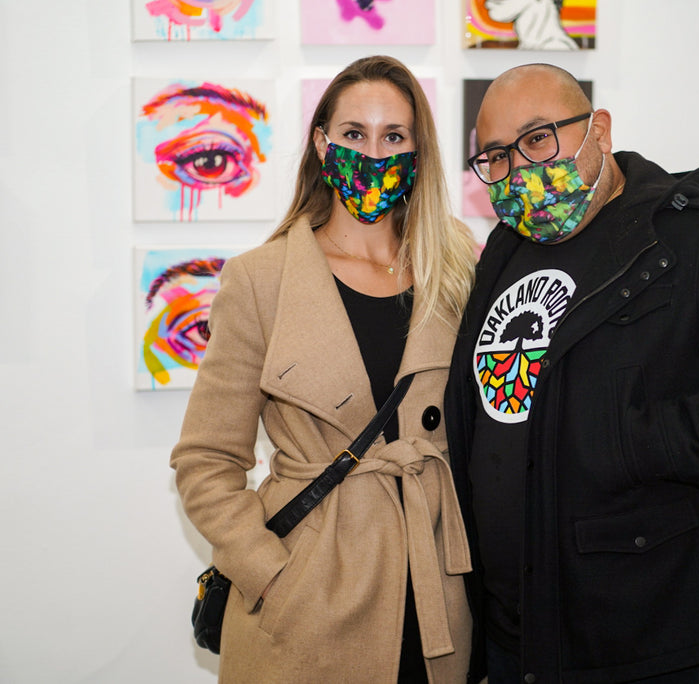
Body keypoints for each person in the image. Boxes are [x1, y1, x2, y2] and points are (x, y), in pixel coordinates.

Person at [445, 63, 699, 683]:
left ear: (598, 129)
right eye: (496, 156)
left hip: (650, 632)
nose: (520, 170)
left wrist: (645, 442)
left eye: (539, 139)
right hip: (518, 632)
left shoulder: (692, 236)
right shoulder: (505, 247)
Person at [171, 55, 478, 683]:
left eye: (394, 136)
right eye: (353, 135)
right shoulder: (262, 279)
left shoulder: (458, 267)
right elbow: (205, 460)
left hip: (436, 595)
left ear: (419, 152)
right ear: (322, 143)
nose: (373, 153)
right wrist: (270, 572)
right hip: (308, 600)